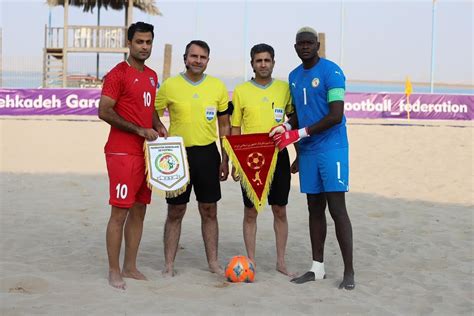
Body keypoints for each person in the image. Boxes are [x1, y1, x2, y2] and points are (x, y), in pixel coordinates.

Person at [270, 27, 355, 289]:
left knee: (337, 208)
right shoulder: (295, 76)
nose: (305, 46)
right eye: (300, 43)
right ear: (295, 47)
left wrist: (299, 133)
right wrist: (285, 128)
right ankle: (317, 267)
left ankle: (349, 272)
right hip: (308, 151)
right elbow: (301, 114)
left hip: (332, 148)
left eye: (309, 42)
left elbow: (335, 115)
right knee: (314, 208)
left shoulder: (332, 71)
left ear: (317, 45)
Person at [98, 22, 168, 290]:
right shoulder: (117, 74)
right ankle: (114, 270)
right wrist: (139, 128)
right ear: (129, 43)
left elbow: (147, 108)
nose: (145, 47)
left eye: (148, 42)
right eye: (139, 42)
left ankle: (130, 266)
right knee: (120, 212)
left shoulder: (151, 75)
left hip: (147, 153)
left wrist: (158, 124)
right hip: (122, 151)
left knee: (139, 210)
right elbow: (104, 111)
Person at [155, 40, 231, 276]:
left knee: (209, 210)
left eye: (203, 57)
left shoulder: (217, 87)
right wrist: (159, 128)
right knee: (175, 211)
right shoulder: (170, 86)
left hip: (208, 154)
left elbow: (225, 125)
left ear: (208, 60)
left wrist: (225, 159)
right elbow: (152, 114)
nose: (198, 61)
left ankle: (213, 263)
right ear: (185, 58)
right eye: (193, 56)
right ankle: (168, 265)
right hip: (177, 155)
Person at [230, 44, 294, 276]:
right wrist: (235, 160)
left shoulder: (284, 88)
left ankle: (281, 262)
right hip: (250, 158)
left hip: (279, 155)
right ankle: (251, 261)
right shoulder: (241, 91)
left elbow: (294, 121)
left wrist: (298, 154)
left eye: (267, 60)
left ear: (273, 63)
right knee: (251, 212)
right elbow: (235, 126)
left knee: (280, 210)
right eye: (259, 61)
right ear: (252, 64)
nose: (263, 64)